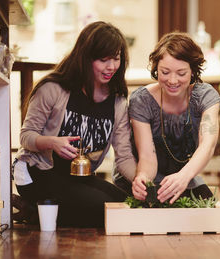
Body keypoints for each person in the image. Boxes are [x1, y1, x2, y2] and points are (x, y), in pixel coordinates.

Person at [12, 21, 136, 227]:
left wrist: (143, 182)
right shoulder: (53, 88)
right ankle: (36, 208)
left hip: (78, 177)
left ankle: (39, 212)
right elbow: (26, 137)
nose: (111, 66)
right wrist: (52, 142)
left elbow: (124, 157)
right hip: (39, 173)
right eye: (103, 59)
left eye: (116, 58)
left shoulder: (118, 102)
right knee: (103, 210)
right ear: (86, 58)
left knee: (125, 205)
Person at [113, 32, 220, 204]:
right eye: (165, 72)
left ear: (193, 70)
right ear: (156, 68)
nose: (173, 80)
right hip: (144, 175)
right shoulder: (142, 100)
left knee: (206, 205)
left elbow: (207, 145)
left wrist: (183, 177)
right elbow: (147, 156)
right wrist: (142, 179)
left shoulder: (205, 96)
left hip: (182, 176)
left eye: (181, 73)